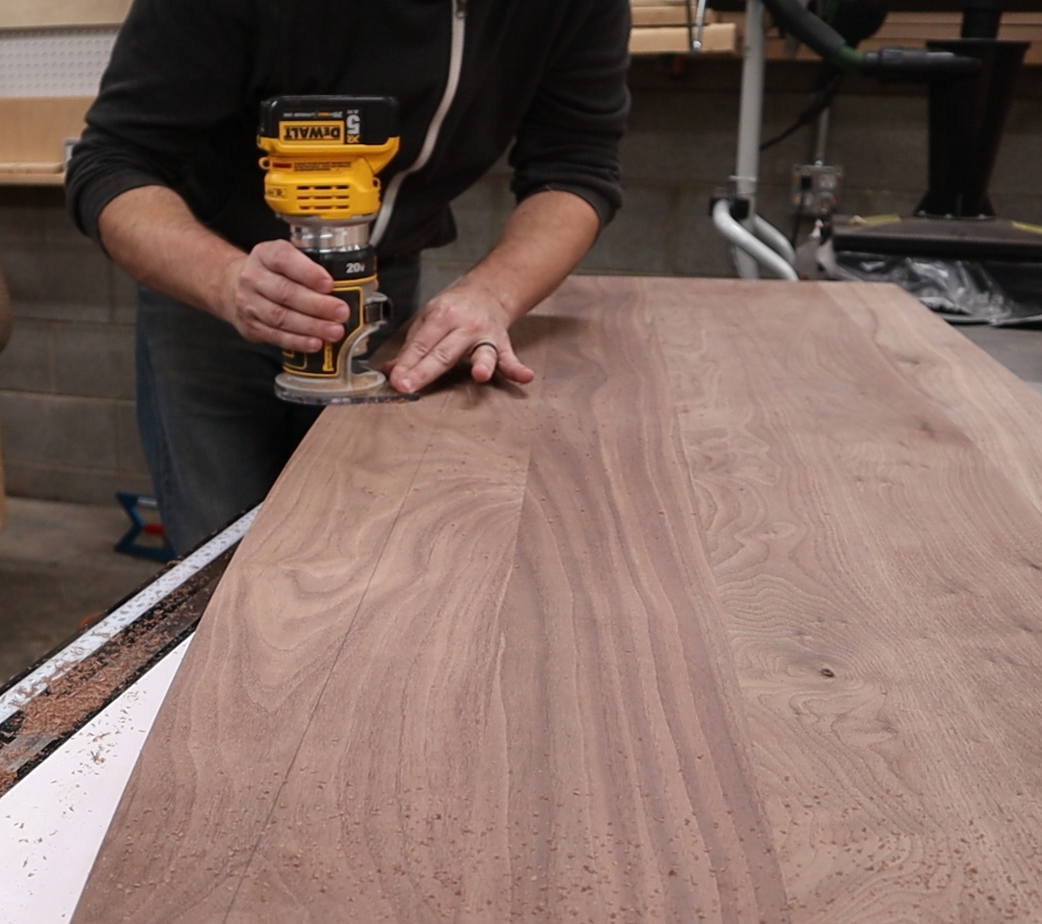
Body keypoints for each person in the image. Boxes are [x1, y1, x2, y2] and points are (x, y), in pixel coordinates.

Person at [66, 0, 631, 550]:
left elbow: (575, 167)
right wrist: (226, 280)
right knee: (220, 557)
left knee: (363, 547)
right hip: (218, 287)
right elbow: (112, 162)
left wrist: (492, 295)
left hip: (381, 285)